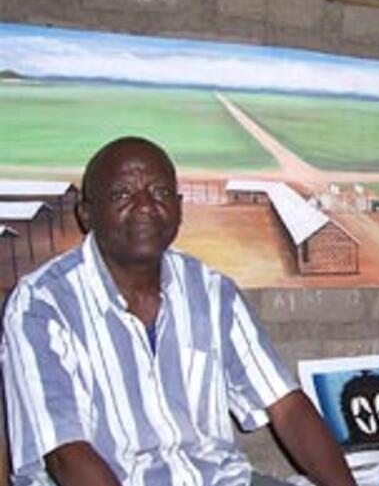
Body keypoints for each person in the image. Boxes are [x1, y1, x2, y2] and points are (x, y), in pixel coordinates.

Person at [0, 137, 357, 486]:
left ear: (179, 207)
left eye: (160, 192)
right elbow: (65, 455)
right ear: (86, 214)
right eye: (122, 194)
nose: (145, 205)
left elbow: (286, 405)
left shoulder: (212, 292)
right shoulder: (42, 305)